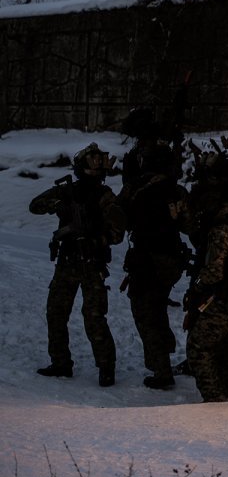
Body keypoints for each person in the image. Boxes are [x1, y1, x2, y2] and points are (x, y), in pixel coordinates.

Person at [29, 143, 127, 387]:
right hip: (67, 262)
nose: (92, 173)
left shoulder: (106, 197)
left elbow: (117, 233)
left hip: (92, 263)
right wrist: (58, 205)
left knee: (94, 317)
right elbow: (35, 206)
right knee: (56, 312)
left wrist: (95, 238)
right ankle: (60, 362)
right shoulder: (67, 191)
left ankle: (106, 367)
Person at [118, 110, 190, 390]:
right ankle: (165, 353)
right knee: (155, 307)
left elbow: (118, 217)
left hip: (150, 257)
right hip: (170, 256)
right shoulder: (174, 190)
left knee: (146, 312)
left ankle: (162, 370)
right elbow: (187, 225)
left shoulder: (137, 188)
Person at [183, 150, 228, 402]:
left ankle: (214, 399)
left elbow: (215, 269)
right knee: (226, 339)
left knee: (198, 345)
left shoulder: (223, 222)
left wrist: (199, 287)